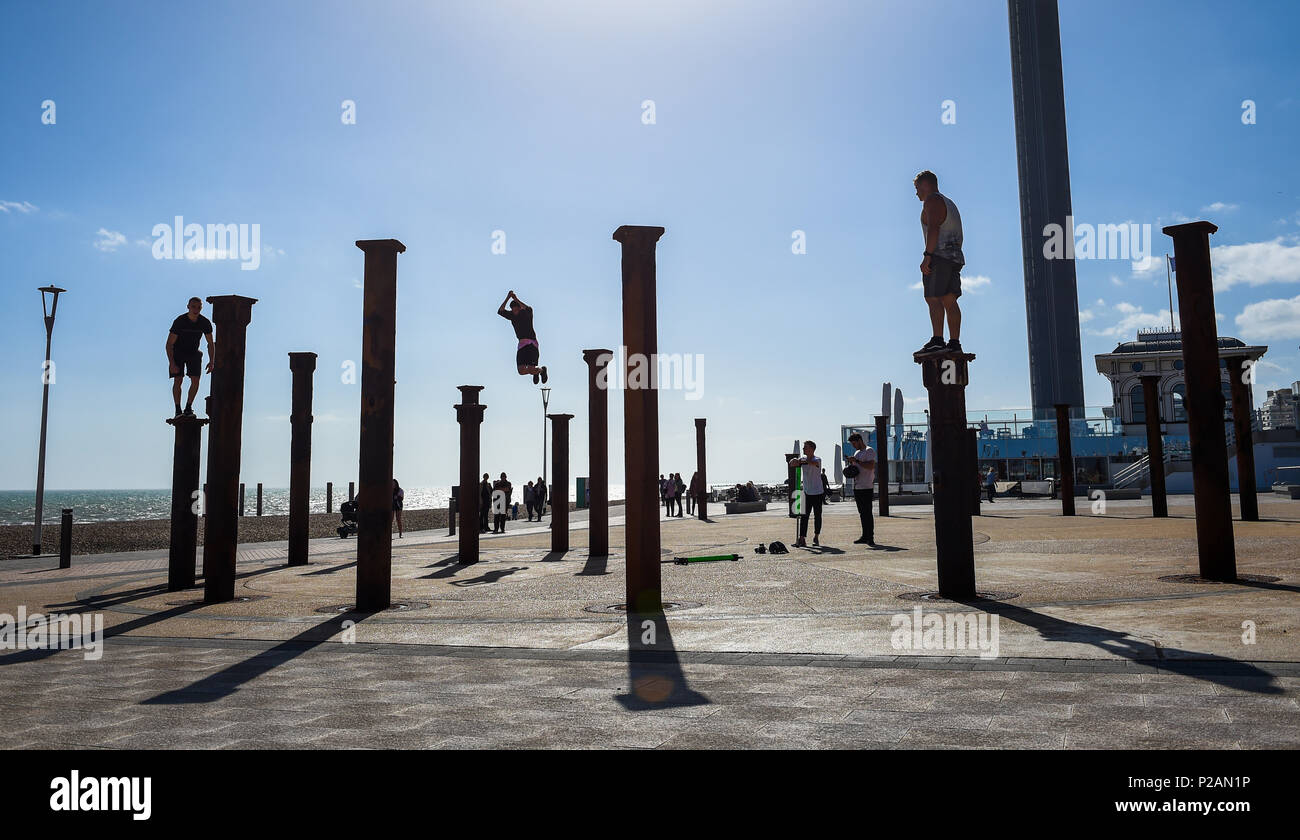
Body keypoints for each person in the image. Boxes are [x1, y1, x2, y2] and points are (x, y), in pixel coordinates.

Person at [913, 170, 966, 356]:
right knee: (949, 299)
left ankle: (937, 340)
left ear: (925, 185)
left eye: (917, 187)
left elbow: (934, 227)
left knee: (933, 298)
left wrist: (928, 255)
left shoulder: (932, 201)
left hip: (940, 255)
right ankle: (954, 343)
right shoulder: (949, 203)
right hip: (954, 256)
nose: (916, 192)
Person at [166, 297, 215, 417]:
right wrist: (172, 363)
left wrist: (212, 361)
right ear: (188, 307)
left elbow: (210, 343)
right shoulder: (180, 321)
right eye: (193, 306)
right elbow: (169, 344)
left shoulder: (204, 322)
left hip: (193, 352)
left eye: (198, 307)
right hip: (178, 352)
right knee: (178, 379)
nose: (196, 309)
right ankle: (178, 410)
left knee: (195, 380)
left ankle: (188, 407)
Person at [497, 290, 547, 385]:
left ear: (519, 308)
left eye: (516, 309)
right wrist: (508, 297)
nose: (514, 311)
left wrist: (516, 298)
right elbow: (500, 311)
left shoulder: (526, 313)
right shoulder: (512, 316)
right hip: (521, 345)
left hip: (531, 344)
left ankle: (542, 371)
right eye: (513, 309)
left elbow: (529, 308)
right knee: (521, 371)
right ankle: (535, 372)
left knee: (532, 369)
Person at [788, 441, 825, 548]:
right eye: (803, 448)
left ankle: (816, 536)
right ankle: (802, 538)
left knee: (818, 515)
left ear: (812, 449)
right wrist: (794, 460)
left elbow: (813, 463)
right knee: (804, 516)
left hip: (817, 492)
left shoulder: (817, 459)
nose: (803, 449)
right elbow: (791, 463)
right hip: (806, 491)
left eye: (805, 448)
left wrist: (802, 460)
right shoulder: (802, 459)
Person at [846, 432, 878, 546]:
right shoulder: (857, 452)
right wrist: (851, 464)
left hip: (866, 486)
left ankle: (870, 537)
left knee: (867, 513)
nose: (853, 446)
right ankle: (865, 536)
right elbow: (857, 468)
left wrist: (857, 461)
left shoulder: (869, 451)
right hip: (857, 486)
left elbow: (870, 466)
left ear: (860, 440)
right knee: (862, 513)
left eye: (854, 443)